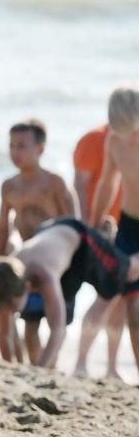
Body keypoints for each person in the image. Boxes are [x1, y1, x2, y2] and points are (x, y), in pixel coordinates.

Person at [0, 217, 139, 368]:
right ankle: (103, 237)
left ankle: (101, 239)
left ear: (28, 286)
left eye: (14, 308)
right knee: (61, 297)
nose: (11, 312)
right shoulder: (3, 277)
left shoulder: (45, 274)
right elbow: (5, 334)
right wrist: (9, 365)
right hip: (48, 236)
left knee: (127, 273)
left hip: (78, 237)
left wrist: (38, 370)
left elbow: (58, 330)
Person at [0, 119, 77, 362]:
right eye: (11, 146)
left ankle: (49, 367)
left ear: (40, 149)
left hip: (57, 264)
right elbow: (3, 226)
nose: (15, 152)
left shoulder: (54, 183)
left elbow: (73, 224)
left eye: (22, 146)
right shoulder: (9, 187)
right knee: (30, 327)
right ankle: (37, 370)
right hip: (27, 265)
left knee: (56, 323)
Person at [88, 83, 139, 379]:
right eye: (123, 130)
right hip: (130, 226)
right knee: (133, 309)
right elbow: (107, 184)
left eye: (133, 130)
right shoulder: (114, 141)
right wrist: (94, 225)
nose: (131, 138)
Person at [72, 123, 125, 378]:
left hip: (129, 232)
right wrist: (88, 225)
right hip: (101, 230)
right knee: (106, 298)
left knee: (121, 301)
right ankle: (81, 362)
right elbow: (81, 184)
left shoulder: (131, 141)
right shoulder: (94, 139)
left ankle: (111, 367)